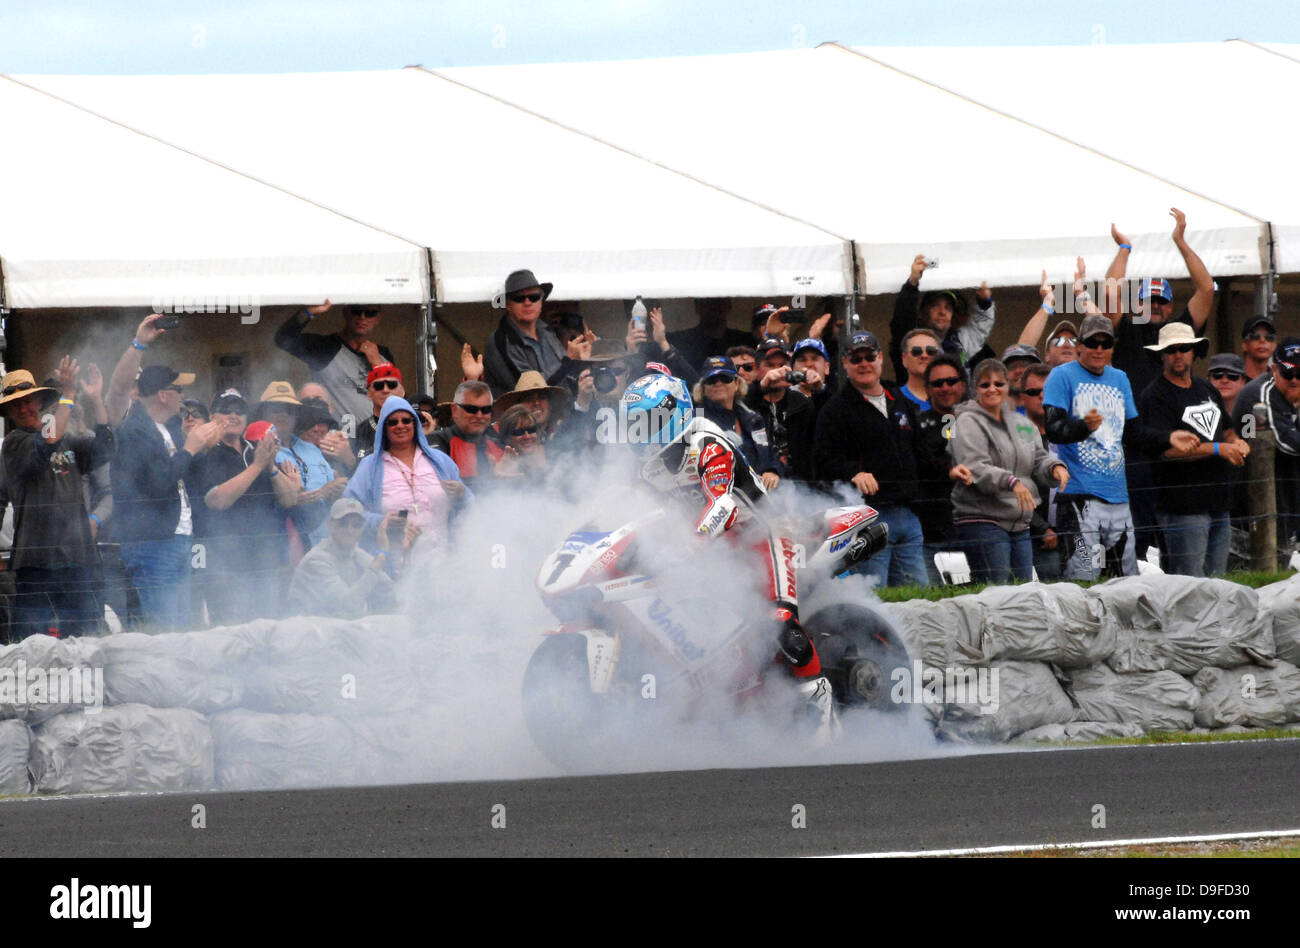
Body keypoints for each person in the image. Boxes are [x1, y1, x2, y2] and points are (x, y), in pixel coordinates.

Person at [621, 372, 838, 744]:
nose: (642, 432)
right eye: (635, 424)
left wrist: (694, 541)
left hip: (761, 533)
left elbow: (723, 503)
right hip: (716, 549)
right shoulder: (650, 467)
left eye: (649, 421)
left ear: (674, 414)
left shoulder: (706, 441)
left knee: (780, 620)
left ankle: (822, 710)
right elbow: (647, 513)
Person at [1043, 315, 1199, 579]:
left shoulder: (1119, 378)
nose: (1099, 349)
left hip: (1118, 497)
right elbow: (1053, 430)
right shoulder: (1061, 376)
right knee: (1084, 575)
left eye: (1105, 344)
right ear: (1080, 345)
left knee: (1125, 577)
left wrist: (1168, 437)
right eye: (1093, 343)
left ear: (1113, 347)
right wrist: (1083, 426)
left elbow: (1134, 433)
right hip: (1080, 498)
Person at [1, 361, 112, 639]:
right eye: (16, 405)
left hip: (78, 558)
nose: (24, 409)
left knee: (84, 640)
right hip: (35, 562)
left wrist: (97, 399)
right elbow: (48, 439)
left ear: (39, 401)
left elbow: (106, 448)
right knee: (31, 645)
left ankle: (82, 684)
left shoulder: (70, 441)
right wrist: (69, 395)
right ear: (9, 412)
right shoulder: (14, 443)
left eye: (28, 401)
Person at [813, 332, 929, 587]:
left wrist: (951, 463)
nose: (864, 363)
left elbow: (922, 452)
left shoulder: (900, 400)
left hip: (907, 514)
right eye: (856, 359)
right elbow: (822, 460)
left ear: (880, 359)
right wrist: (853, 472)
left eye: (869, 357)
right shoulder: (835, 409)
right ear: (845, 363)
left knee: (921, 596)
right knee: (875, 599)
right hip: (867, 518)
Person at [111, 363, 223, 629]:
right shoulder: (134, 430)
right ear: (162, 394)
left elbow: (188, 478)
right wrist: (189, 449)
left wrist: (203, 448)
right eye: (178, 389)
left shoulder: (168, 427)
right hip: (153, 543)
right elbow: (157, 484)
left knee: (182, 625)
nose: (182, 395)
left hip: (177, 537)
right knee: (166, 629)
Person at [1138, 322, 1249, 577]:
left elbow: (1228, 428)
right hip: (1182, 507)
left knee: (1217, 581)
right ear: (1162, 354)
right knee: (1188, 585)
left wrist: (1238, 442)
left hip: (1219, 502)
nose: (1178, 354)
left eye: (1184, 348)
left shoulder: (1206, 387)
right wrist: (1218, 448)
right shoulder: (1154, 395)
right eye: (1172, 349)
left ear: (1193, 351)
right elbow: (1166, 450)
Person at [949, 359, 1069, 583]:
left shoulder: (1020, 422)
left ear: (1007, 387)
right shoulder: (965, 422)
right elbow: (974, 466)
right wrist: (1012, 482)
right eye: (985, 385)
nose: (992, 389)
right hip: (982, 519)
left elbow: (1038, 457)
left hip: (1019, 522)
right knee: (997, 594)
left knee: (1023, 593)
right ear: (976, 389)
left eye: (999, 383)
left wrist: (1055, 467)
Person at [195, 413, 301, 624]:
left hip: (265, 559)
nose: (233, 415)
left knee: (268, 628)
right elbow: (217, 501)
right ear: (213, 416)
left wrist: (270, 466)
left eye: (239, 409)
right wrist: (256, 466)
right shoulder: (209, 455)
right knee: (234, 630)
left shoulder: (256, 454)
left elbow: (290, 500)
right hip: (228, 562)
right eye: (227, 410)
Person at [1103, 213, 1215, 399]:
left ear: (1170, 307)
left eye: (1161, 301)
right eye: (1148, 300)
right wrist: (1124, 248)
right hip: (1135, 423)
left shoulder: (1180, 331)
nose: (1155, 306)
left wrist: (1180, 242)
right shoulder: (1127, 331)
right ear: (1138, 305)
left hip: (1176, 420)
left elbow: (1207, 288)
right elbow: (1110, 292)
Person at [343, 397, 469, 560]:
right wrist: (381, 521)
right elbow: (348, 508)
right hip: (394, 566)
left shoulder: (440, 461)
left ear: (415, 424)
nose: (400, 426)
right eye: (393, 422)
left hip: (443, 563)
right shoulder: (370, 466)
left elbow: (470, 504)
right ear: (383, 428)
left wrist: (462, 494)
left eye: (406, 420)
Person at [274, 300, 396, 434]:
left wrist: (378, 363)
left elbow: (398, 400)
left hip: (376, 440)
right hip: (336, 441)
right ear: (346, 312)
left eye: (370, 313)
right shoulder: (325, 347)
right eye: (356, 311)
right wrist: (307, 312)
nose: (362, 317)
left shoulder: (383, 354)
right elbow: (283, 339)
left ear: (377, 319)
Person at [287, 498, 401, 619]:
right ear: (330, 525)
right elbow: (347, 605)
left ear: (362, 528)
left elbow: (389, 590)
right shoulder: (316, 560)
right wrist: (380, 559)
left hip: (337, 628)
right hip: (307, 630)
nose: (349, 530)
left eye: (356, 525)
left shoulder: (357, 554)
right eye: (343, 523)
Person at [889, 253, 996, 381]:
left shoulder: (959, 342)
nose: (942, 312)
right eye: (936, 306)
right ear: (922, 312)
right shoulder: (911, 341)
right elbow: (901, 321)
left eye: (948, 307)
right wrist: (912, 283)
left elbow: (981, 327)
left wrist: (985, 302)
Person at [1236, 339, 1300, 552]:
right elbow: (1287, 444)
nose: (1295, 380)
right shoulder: (1256, 395)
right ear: (1274, 369)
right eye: (1288, 373)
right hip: (1258, 499)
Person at [483, 270, 588, 396]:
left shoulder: (547, 332)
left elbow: (565, 378)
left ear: (541, 301)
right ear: (508, 304)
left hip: (559, 411)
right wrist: (568, 361)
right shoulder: (499, 341)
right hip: (520, 414)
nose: (527, 303)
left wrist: (582, 360)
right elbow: (530, 391)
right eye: (519, 298)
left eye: (534, 297)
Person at [914, 355, 971, 582]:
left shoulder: (983, 421)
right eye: (938, 383)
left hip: (978, 528)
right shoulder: (916, 423)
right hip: (932, 533)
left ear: (963, 385)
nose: (945, 387)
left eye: (951, 381)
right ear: (927, 389)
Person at [692, 356, 780, 490]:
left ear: (737, 383)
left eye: (725, 378)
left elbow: (771, 454)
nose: (718, 383)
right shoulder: (695, 420)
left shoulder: (753, 418)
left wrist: (773, 471)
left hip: (764, 500)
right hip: (722, 498)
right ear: (703, 388)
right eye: (712, 380)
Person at [278, 400, 350, 548]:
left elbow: (337, 484)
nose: (284, 415)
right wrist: (321, 492)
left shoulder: (310, 449)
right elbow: (293, 501)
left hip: (329, 537)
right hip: (291, 540)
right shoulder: (265, 449)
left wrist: (337, 489)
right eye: (277, 410)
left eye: (289, 411)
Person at [1018, 363, 1065, 579]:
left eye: (1047, 391)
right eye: (1033, 392)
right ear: (1022, 398)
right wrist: (1042, 528)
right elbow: (1011, 488)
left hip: (1075, 532)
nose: (1041, 396)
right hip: (1034, 535)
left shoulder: (1071, 434)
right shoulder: (1013, 438)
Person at [744, 337, 812, 479]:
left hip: (799, 488)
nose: (778, 371)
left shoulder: (802, 403)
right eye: (770, 365)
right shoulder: (747, 403)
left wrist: (819, 390)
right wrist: (762, 386)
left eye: (782, 365)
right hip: (757, 484)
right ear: (756, 369)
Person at [428, 381, 504, 489]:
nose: (479, 415)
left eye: (485, 410)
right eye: (471, 409)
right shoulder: (437, 441)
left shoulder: (497, 444)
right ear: (454, 410)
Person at [666, 298, 752, 370]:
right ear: (697, 306)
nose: (713, 307)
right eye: (708, 302)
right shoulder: (678, 341)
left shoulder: (746, 341)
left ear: (728, 305)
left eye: (719, 302)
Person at [492, 405, 552, 484]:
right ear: (507, 437)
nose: (527, 436)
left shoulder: (551, 455)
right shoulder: (499, 462)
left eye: (531, 430)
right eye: (519, 432)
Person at [353, 364, 403, 457]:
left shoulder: (414, 425)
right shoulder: (360, 431)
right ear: (369, 394)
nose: (385, 390)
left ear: (402, 391)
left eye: (392, 385)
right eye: (378, 386)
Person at [897, 328, 942, 412]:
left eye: (931, 351)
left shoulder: (953, 399)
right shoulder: (892, 401)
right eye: (916, 351)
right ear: (904, 359)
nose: (924, 356)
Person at [1240, 315, 1277, 381]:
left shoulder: (1278, 383)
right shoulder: (1233, 380)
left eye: (1269, 337)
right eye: (1255, 336)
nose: (1262, 340)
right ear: (1244, 345)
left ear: (1274, 345)